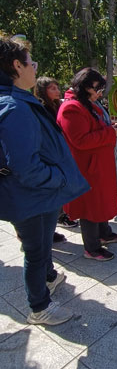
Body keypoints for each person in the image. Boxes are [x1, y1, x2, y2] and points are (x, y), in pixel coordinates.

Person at [0, 35, 89, 325]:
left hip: (37, 195)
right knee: (36, 252)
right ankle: (39, 307)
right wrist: (60, 177)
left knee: (40, 250)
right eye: (31, 63)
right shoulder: (15, 107)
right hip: (32, 196)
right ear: (17, 65)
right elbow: (26, 168)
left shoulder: (16, 101)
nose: (35, 69)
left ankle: (48, 279)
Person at [57, 68, 117, 261]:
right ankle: (92, 247)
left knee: (101, 202)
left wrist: (111, 129)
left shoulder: (88, 104)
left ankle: (104, 233)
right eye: (97, 89)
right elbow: (80, 140)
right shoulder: (71, 108)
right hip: (87, 168)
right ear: (85, 87)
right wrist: (110, 133)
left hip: (98, 165)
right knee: (90, 208)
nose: (99, 93)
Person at [35, 76, 79, 236]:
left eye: (56, 87)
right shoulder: (41, 108)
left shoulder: (58, 104)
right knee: (51, 192)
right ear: (43, 90)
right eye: (52, 88)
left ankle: (57, 220)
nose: (56, 90)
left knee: (60, 188)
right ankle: (53, 225)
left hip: (60, 151)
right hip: (48, 155)